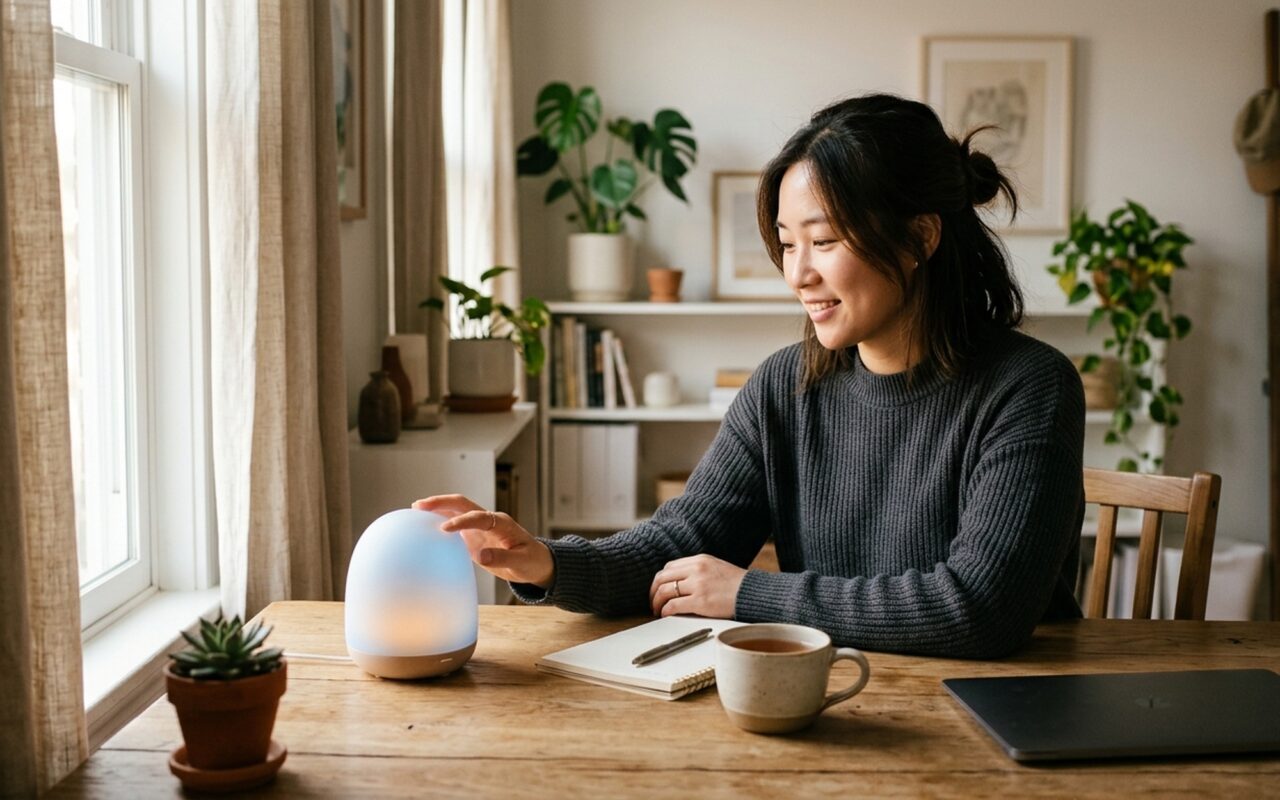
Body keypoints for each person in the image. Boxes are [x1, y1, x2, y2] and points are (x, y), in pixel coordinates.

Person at [416, 93, 1084, 659]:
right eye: (788, 244)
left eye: (823, 242)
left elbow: (982, 607)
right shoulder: (783, 389)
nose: (798, 274)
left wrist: (747, 596)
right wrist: (548, 562)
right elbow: (680, 545)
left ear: (920, 238)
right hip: (833, 701)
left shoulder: (1029, 388)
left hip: (995, 720)